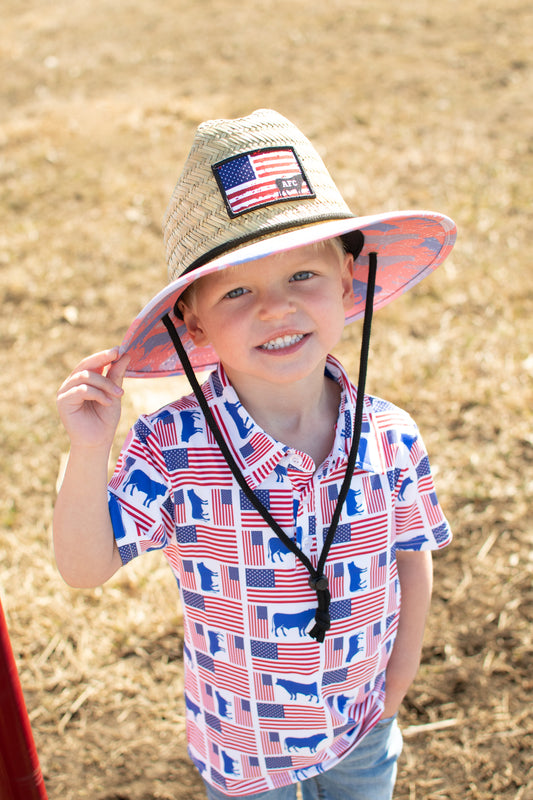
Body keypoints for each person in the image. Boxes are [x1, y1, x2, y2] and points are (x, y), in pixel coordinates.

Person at [54, 109, 457, 800]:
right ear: (193, 319)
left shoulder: (389, 435)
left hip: (363, 724)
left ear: (347, 282)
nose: (276, 309)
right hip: (243, 746)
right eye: (238, 290)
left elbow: (408, 556)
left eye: (303, 275)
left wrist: (398, 683)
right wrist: (89, 451)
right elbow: (85, 568)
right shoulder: (172, 447)